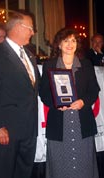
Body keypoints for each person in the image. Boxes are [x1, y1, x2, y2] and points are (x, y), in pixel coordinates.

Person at [0, 10, 39, 178]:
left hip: (28, 128)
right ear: (19, 28)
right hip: (6, 129)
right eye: (30, 28)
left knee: (24, 172)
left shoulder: (29, 54)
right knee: (4, 173)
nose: (33, 32)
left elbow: (34, 88)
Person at [39, 28, 100, 178]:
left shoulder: (86, 65)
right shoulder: (49, 65)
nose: (69, 44)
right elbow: (44, 93)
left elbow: (94, 91)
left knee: (84, 164)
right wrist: (56, 104)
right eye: (66, 40)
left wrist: (83, 102)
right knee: (60, 165)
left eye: (73, 40)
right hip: (59, 123)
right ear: (59, 44)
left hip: (82, 121)